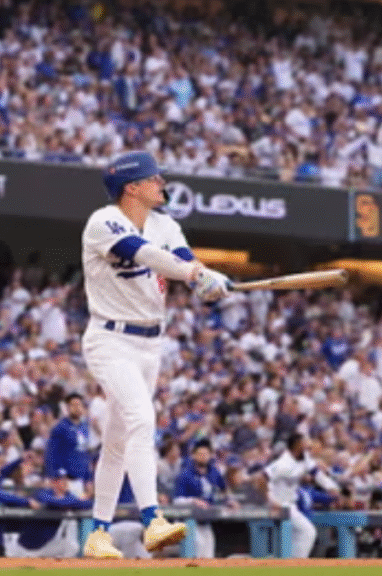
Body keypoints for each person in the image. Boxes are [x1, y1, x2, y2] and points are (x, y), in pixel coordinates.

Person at [79, 151, 231, 558]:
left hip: (150, 344)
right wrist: (198, 274)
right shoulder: (103, 221)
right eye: (154, 178)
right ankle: (153, 521)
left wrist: (204, 279)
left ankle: (97, 533)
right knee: (142, 419)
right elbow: (142, 253)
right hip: (110, 340)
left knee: (117, 440)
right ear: (132, 187)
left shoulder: (166, 223)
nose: (161, 183)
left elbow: (180, 258)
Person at [263, 433, 337, 558]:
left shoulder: (305, 457)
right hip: (280, 505)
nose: (308, 446)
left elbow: (317, 474)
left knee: (303, 534)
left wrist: (332, 487)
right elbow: (262, 479)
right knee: (307, 532)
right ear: (297, 445)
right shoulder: (283, 463)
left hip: (290, 505)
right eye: (304, 443)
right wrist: (271, 500)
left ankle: (291, 566)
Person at [172, 439, 238, 558]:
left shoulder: (214, 472)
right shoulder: (185, 475)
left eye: (206, 454)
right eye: (200, 454)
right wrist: (193, 501)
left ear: (211, 455)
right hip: (188, 522)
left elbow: (224, 489)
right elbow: (176, 501)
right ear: (193, 455)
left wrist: (230, 500)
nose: (203, 457)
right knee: (196, 554)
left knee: (208, 556)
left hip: (206, 521)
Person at [10, 468, 92, 558]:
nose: (64, 482)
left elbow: (86, 504)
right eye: (60, 479)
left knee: (73, 547)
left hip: (45, 546)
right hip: (23, 547)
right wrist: (75, 502)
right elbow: (53, 502)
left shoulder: (70, 496)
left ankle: (65, 568)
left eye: (65, 479)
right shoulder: (42, 493)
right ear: (53, 482)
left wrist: (78, 501)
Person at [44, 393, 92, 493]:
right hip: (66, 480)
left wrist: (88, 478)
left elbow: (85, 453)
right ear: (67, 407)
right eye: (73, 405)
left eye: (79, 405)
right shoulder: (60, 427)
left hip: (81, 479)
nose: (77, 408)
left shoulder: (84, 427)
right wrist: (56, 476)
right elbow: (51, 453)